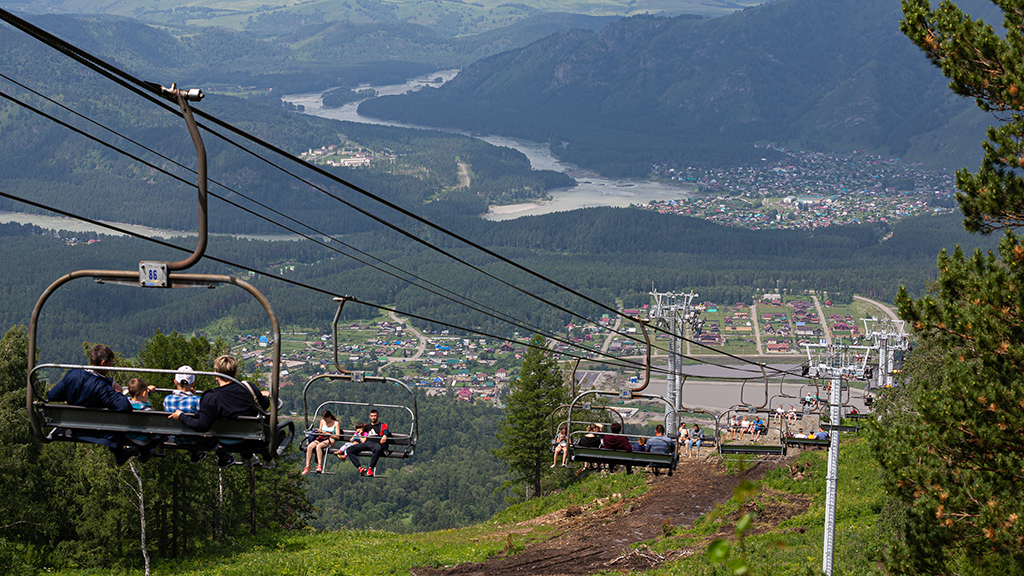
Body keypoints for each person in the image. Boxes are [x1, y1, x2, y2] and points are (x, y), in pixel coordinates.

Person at [169, 355, 270, 469]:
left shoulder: (210, 397)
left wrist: (181, 416)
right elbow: (265, 405)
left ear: (216, 373)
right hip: (253, 439)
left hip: (226, 441)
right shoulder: (248, 387)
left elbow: (202, 425)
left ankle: (248, 457)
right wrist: (264, 396)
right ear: (235, 373)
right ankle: (261, 458)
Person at [47, 344, 138, 465]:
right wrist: (118, 391)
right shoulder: (102, 387)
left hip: (72, 425)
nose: (110, 368)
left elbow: (52, 395)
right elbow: (124, 406)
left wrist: (74, 393)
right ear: (103, 363)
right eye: (110, 365)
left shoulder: (72, 375)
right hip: (96, 430)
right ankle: (123, 452)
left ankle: (121, 453)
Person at [163, 365, 205, 464]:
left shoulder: (167, 399)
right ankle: (196, 453)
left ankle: (195, 453)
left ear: (175, 381)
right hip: (194, 439)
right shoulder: (197, 400)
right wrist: (194, 396)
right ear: (192, 383)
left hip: (176, 438)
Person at [125, 378, 160, 462]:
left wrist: (147, 390)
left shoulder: (124, 403)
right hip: (142, 440)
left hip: (126, 437)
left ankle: (132, 449)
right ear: (144, 393)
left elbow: (138, 400)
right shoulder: (147, 410)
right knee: (155, 437)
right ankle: (145, 453)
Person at [345, 409, 388, 477]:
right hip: (366, 443)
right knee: (349, 450)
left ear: (378, 416)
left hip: (376, 443)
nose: (373, 417)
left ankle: (370, 468)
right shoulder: (366, 426)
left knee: (378, 449)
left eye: (375, 416)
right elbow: (359, 432)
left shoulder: (382, 425)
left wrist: (385, 436)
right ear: (369, 416)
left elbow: (385, 431)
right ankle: (359, 468)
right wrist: (356, 441)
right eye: (372, 416)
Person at [303, 410, 340, 474]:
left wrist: (328, 434)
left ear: (329, 417)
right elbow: (320, 430)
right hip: (322, 437)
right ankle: (307, 466)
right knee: (310, 447)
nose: (324, 420)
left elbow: (338, 436)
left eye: (326, 418)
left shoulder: (336, 423)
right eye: (323, 418)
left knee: (319, 446)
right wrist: (319, 432)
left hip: (331, 439)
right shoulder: (322, 422)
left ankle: (319, 465)